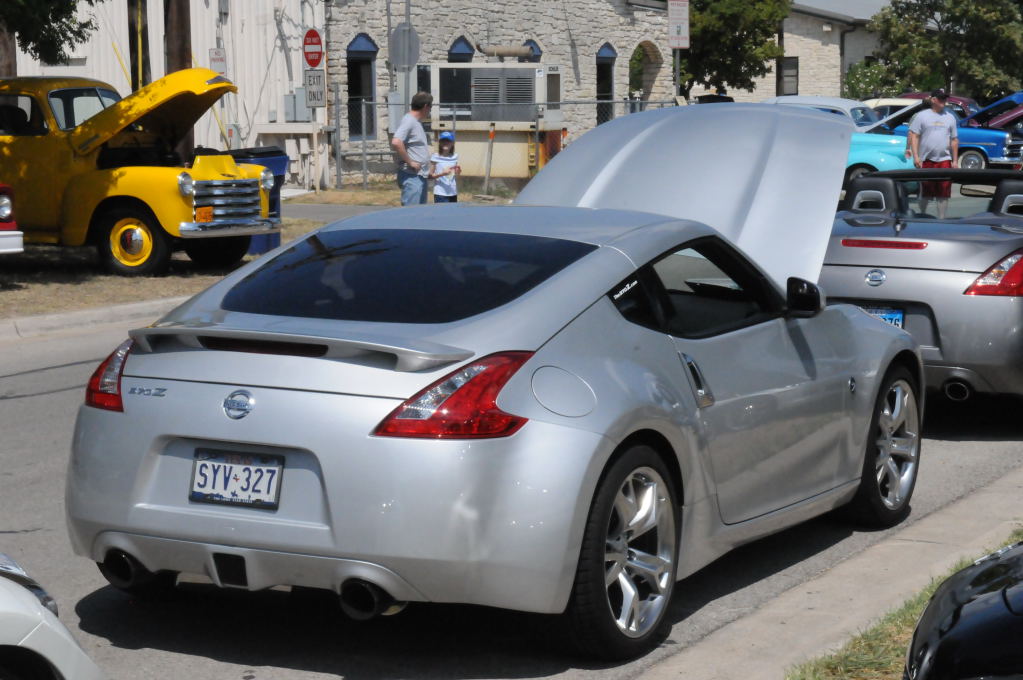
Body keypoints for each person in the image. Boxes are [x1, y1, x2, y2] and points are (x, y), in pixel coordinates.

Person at [908, 88, 959, 218]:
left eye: (945, 98)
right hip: (926, 160)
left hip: (944, 160)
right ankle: (923, 215)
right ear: (933, 100)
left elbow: (954, 140)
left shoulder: (950, 117)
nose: (944, 101)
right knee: (926, 191)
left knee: (944, 192)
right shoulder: (922, 116)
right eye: (941, 98)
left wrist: (955, 161)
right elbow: (914, 136)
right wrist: (916, 157)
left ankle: (941, 218)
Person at [391, 92, 433, 205]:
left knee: (419, 213)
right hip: (412, 176)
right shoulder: (409, 121)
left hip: (420, 175)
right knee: (411, 213)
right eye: (430, 107)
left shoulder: (415, 122)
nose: (430, 111)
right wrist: (410, 162)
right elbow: (396, 142)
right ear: (425, 106)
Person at [428, 131, 460, 203]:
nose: (445, 143)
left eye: (448, 141)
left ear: (452, 143)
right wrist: (442, 174)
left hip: (453, 192)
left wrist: (457, 172)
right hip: (440, 193)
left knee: (453, 210)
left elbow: (453, 174)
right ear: (440, 143)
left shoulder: (455, 156)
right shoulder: (435, 156)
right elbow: (430, 176)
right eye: (443, 141)